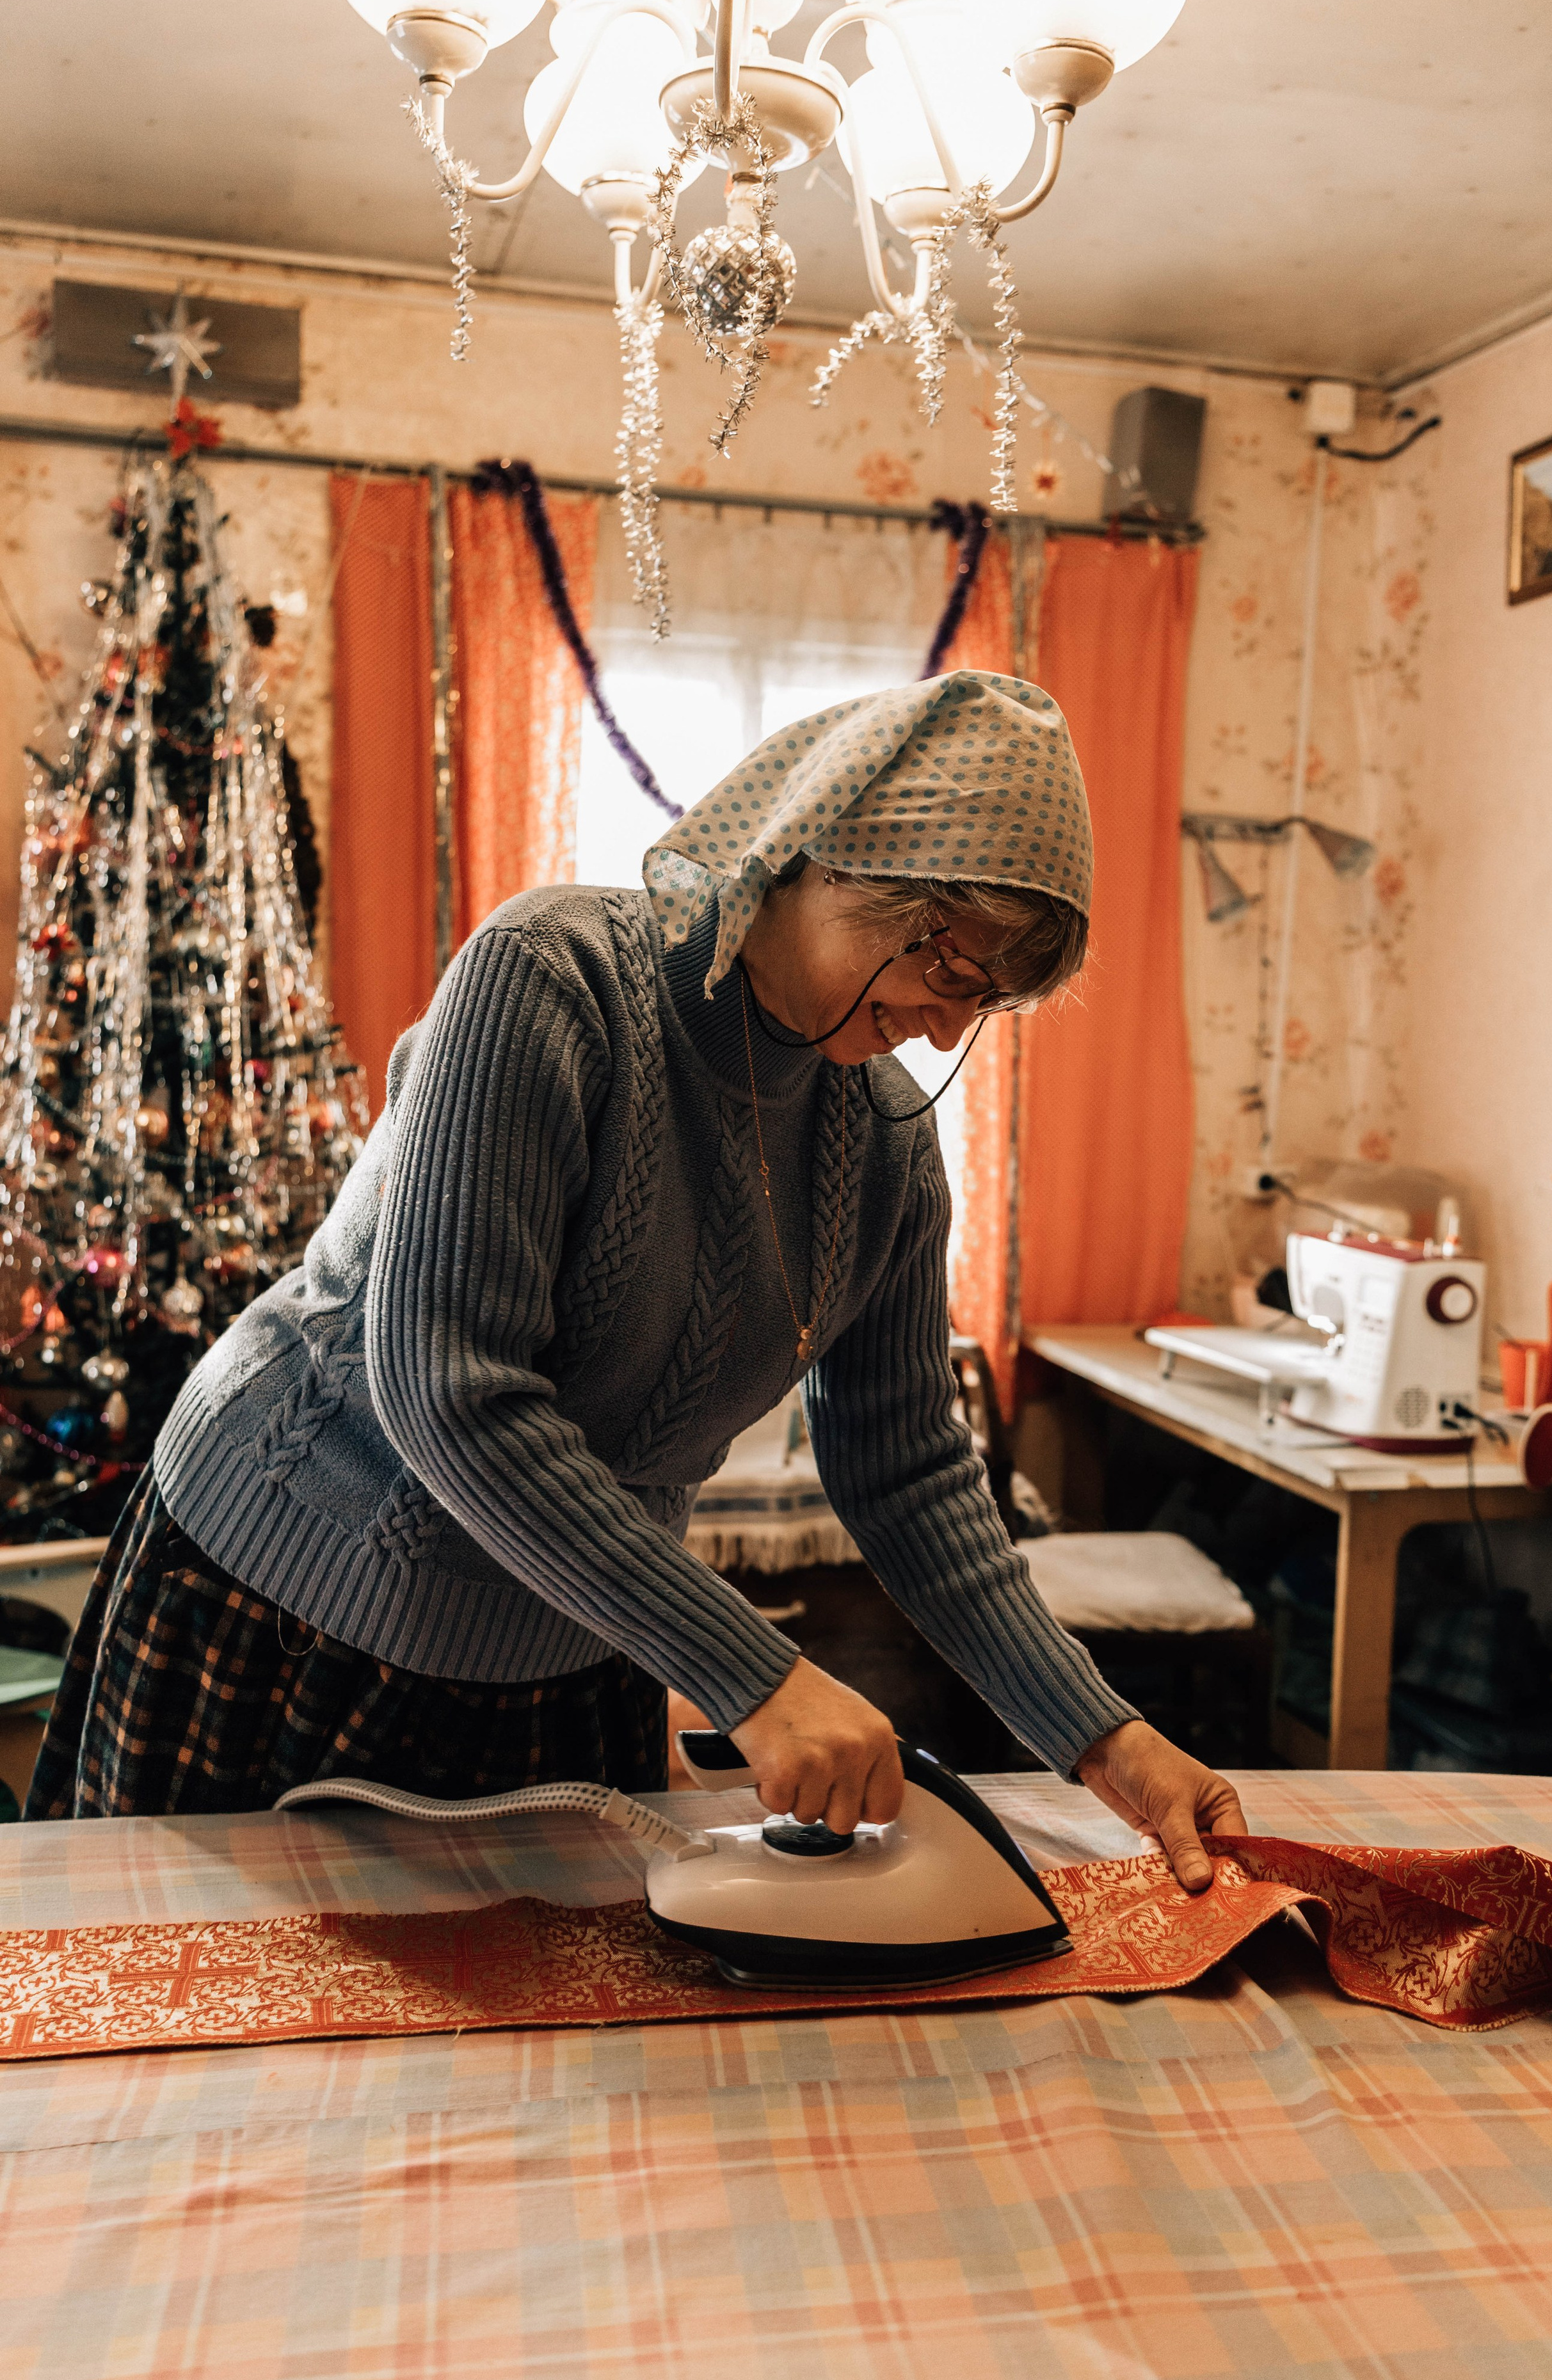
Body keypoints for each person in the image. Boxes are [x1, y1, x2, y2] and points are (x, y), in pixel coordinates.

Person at [28, 670, 1245, 1887]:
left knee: (564, 2059)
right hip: (292, 1595)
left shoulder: (883, 1143)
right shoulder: (549, 980)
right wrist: (757, 1674)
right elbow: (452, 1387)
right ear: (836, 860)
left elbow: (911, 1474)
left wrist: (1105, 1738)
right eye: (951, 968)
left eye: (985, 1000)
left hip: (582, 1636)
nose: (945, 1026)